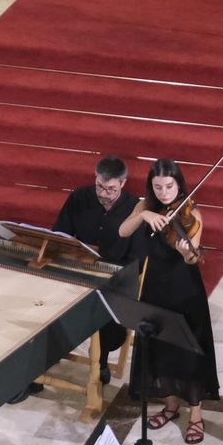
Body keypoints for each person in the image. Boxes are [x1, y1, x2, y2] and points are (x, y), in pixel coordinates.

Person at [118, 159, 219, 443]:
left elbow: (189, 256)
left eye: (169, 186)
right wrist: (144, 216)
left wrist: (188, 250)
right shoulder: (144, 206)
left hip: (185, 289)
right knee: (162, 345)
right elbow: (122, 231)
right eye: (158, 186)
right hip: (154, 286)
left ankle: (196, 414)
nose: (164, 192)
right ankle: (172, 405)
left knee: (189, 350)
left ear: (179, 184)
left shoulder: (192, 212)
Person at [54, 155, 137, 384]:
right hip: (79, 269)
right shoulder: (79, 197)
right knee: (46, 299)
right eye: (99, 186)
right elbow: (61, 234)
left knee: (109, 307)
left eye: (110, 189)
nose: (103, 194)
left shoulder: (135, 209)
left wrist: (106, 267)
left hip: (115, 278)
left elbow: (136, 258)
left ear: (123, 183)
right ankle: (46, 358)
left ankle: (99, 359)